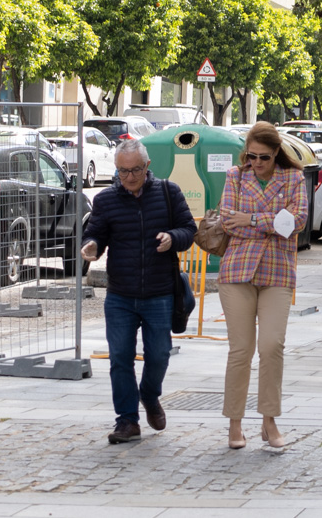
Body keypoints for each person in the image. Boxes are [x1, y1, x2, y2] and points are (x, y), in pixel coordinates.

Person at [81, 140, 197, 444]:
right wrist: (92, 245)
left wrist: (173, 238)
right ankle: (127, 421)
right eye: (122, 171)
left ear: (147, 167)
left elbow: (189, 230)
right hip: (120, 294)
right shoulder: (106, 200)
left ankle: (149, 394)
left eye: (134, 170)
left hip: (159, 293)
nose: (128, 177)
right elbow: (95, 233)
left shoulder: (169, 193)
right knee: (120, 357)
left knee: (158, 355)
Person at [218, 122, 308, 450]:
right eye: (250, 156)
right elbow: (229, 221)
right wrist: (273, 222)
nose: (256, 163)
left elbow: (297, 222)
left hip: (278, 273)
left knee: (271, 346)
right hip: (237, 272)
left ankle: (269, 421)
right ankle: (235, 423)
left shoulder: (293, 178)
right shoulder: (235, 176)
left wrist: (253, 219)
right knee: (240, 350)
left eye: (263, 157)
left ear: (276, 154)